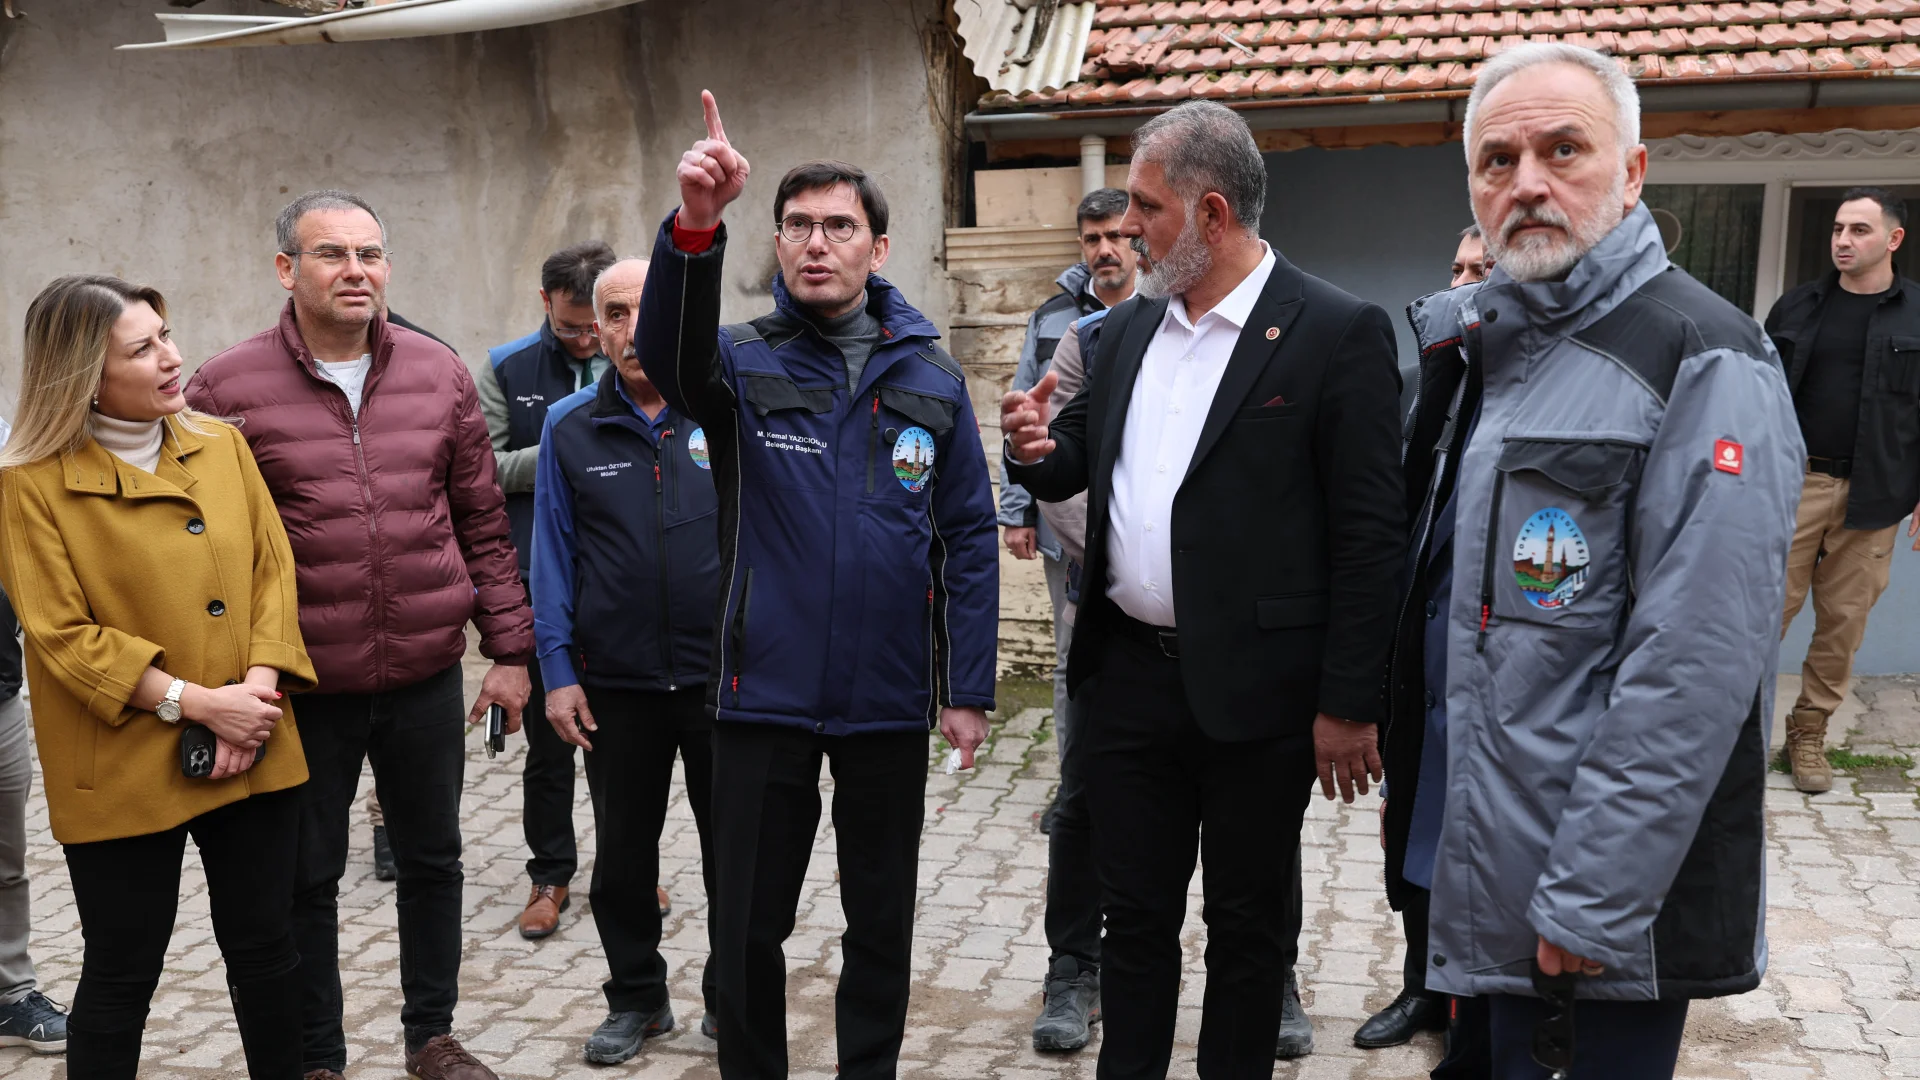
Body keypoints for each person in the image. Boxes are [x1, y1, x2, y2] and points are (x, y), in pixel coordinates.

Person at [1404, 44, 1800, 1077]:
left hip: (1601, 917)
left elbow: (1695, 667)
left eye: (1563, 149)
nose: (1527, 181)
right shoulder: (1492, 348)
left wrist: (1592, 898)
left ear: (1632, 172)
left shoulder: (1705, 355)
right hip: (1502, 882)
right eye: (1498, 160)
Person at [1002, 99, 1408, 1079]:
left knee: (1246, 931)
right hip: (1129, 682)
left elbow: (1369, 538)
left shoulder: (1335, 333)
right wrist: (1038, 452)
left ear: (1213, 213)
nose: (1126, 227)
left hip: (1261, 700)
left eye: (1145, 207)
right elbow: (1080, 462)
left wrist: (1350, 706)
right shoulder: (1127, 332)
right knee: (1133, 923)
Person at [637, 93, 999, 1080]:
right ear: (778, 240)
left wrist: (966, 688)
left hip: (886, 701)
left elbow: (967, 532)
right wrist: (694, 227)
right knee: (748, 925)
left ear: (878, 248)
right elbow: (667, 356)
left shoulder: (929, 376)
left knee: (879, 924)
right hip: (763, 697)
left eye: (840, 226)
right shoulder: (739, 363)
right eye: (798, 225)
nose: (816, 243)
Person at [185, 190, 534, 1080]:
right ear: (286, 270)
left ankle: (433, 1040)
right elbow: (200, 552)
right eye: (332, 254)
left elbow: (482, 523)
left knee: (434, 863)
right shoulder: (225, 389)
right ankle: (318, 1058)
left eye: (370, 254)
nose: (356, 272)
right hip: (302, 688)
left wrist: (510, 654)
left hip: (424, 674)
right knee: (309, 879)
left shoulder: (439, 373)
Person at [0, 274, 318, 1077]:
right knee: (121, 971)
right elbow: (61, 633)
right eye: (143, 349)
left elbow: (271, 574)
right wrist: (201, 704)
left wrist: (254, 692)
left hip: (255, 736)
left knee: (269, 954)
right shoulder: (27, 484)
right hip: (124, 758)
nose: (173, 358)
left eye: (167, 336)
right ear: (84, 375)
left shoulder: (221, 444)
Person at [531, 256, 723, 1062]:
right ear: (595, 328)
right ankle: (638, 1000)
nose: (630, 328)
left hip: (725, 678)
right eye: (613, 313)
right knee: (621, 860)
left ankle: (735, 996)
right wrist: (559, 669)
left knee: (738, 854)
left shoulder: (726, 407)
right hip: (616, 683)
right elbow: (551, 553)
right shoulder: (570, 427)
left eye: (647, 310)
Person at [997, 186, 1137, 1055]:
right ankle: (1069, 784)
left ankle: (1270, 976)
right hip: (1069, 536)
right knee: (1069, 676)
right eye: (1094, 237)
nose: (1107, 249)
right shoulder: (1058, 319)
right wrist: (1022, 500)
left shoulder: (1172, 315)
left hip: (1168, 568)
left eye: (1121, 234)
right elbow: (1026, 411)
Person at [1360, 230, 1503, 1060]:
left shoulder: (1528, 387)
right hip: (1420, 642)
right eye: (1456, 270)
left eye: (1481, 273)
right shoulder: (1428, 383)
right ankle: (1422, 984)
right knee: (1414, 821)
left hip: (1489, 656)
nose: (1463, 286)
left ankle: (1469, 1003)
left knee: (1471, 833)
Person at [480, 239, 617, 938]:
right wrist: (572, 445)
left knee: (623, 744)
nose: (589, 337)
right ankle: (550, 874)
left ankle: (628, 867)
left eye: (598, 322)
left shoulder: (638, 355)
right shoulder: (506, 368)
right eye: (572, 325)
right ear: (545, 304)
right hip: (540, 582)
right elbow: (486, 469)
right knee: (548, 743)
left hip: (620, 585)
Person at [1765, 188, 1920, 794]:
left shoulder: (1916, 316)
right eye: (1837, 229)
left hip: (1877, 492)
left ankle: (1807, 736)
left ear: (1893, 239)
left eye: (1859, 230)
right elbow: (1760, 395)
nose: (1843, 240)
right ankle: (1724, 737)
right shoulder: (1796, 309)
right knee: (1759, 616)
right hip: (1792, 485)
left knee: (1842, 626)